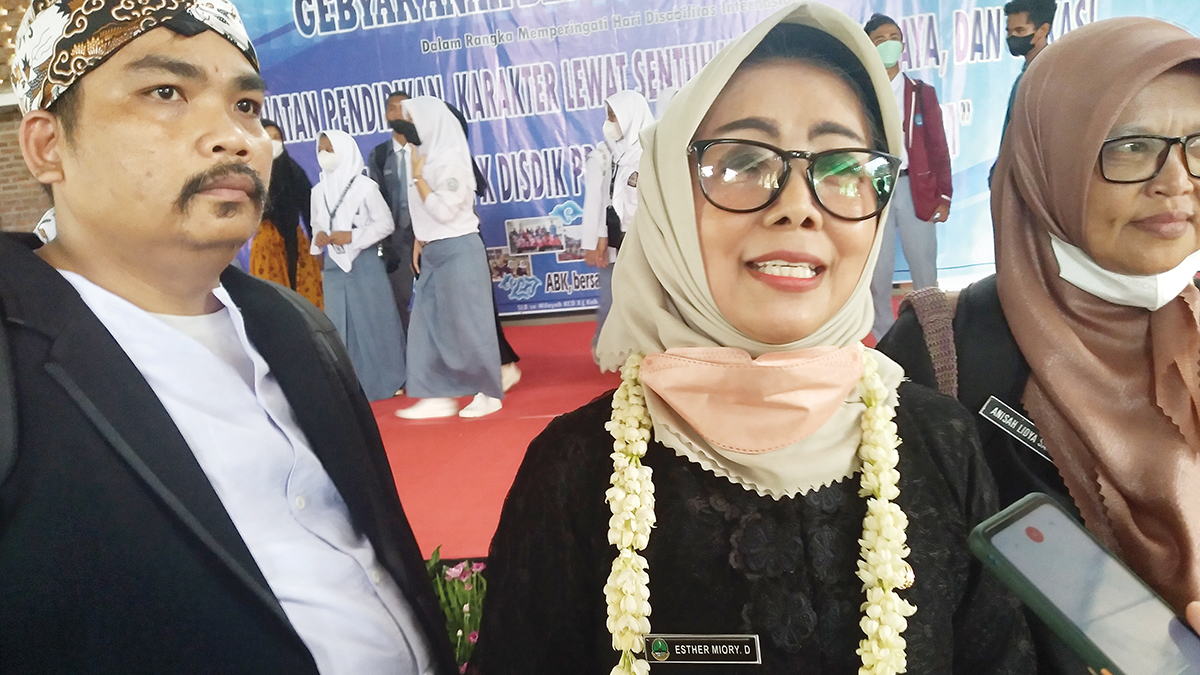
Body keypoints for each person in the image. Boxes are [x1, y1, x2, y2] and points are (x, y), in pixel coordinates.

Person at [474, 4, 1034, 674]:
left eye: (842, 166)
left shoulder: (941, 444)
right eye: (742, 161)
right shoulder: (576, 474)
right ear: (670, 195)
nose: (798, 206)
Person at [0, 1, 455, 673]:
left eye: (246, 106)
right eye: (166, 92)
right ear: (48, 146)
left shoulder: (295, 325)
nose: (236, 138)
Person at [879, 17, 1200, 675]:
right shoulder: (941, 351)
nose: (1176, 181)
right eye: (1131, 146)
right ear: (1049, 157)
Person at [394, 96, 503, 419]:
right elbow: (422, 211)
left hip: (458, 250)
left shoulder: (451, 160)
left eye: (412, 120)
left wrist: (419, 179)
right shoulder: (421, 157)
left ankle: (488, 393)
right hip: (432, 250)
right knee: (425, 326)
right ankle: (435, 395)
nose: (406, 127)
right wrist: (420, 237)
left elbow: (444, 210)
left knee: (469, 326)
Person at [864, 13, 952, 339]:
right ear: (869, 46)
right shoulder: (863, 93)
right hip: (876, 185)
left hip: (916, 185)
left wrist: (944, 194)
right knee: (878, 275)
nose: (888, 44)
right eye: (880, 40)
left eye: (893, 38)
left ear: (902, 45)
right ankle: (886, 341)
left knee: (925, 272)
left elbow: (938, 145)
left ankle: (936, 336)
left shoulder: (919, 92)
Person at [311, 129, 406, 402]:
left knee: (375, 320)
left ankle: (390, 379)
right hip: (334, 265)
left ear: (344, 151)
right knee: (340, 323)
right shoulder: (318, 191)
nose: (324, 155)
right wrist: (319, 238)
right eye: (321, 150)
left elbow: (385, 224)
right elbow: (317, 223)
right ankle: (353, 384)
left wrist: (353, 236)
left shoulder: (365, 187)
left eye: (330, 149)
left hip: (364, 261)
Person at [581, 90, 654, 356]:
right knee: (613, 297)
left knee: (647, 301)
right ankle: (610, 349)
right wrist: (600, 237)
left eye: (614, 117)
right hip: (618, 240)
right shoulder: (613, 155)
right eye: (609, 116)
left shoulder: (651, 153)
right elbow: (605, 199)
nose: (609, 123)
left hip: (645, 243)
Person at [248, 119, 323, 308]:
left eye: (277, 137)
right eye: (268, 138)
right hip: (267, 245)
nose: (274, 142)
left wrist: (316, 244)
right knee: (273, 303)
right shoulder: (251, 173)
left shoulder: (293, 170)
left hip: (297, 243)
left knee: (306, 301)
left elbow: (308, 208)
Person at [368, 91, 420, 332]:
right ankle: (407, 350)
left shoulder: (426, 149)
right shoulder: (379, 155)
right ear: (386, 115)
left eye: (404, 108)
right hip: (396, 242)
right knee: (399, 301)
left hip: (428, 237)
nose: (398, 113)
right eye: (392, 108)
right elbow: (376, 199)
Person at [1001, 0, 1056, 140]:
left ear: (1043, 30)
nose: (1012, 37)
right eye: (1009, 31)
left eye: (1020, 30)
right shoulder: (1026, 75)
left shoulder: (1051, 77)